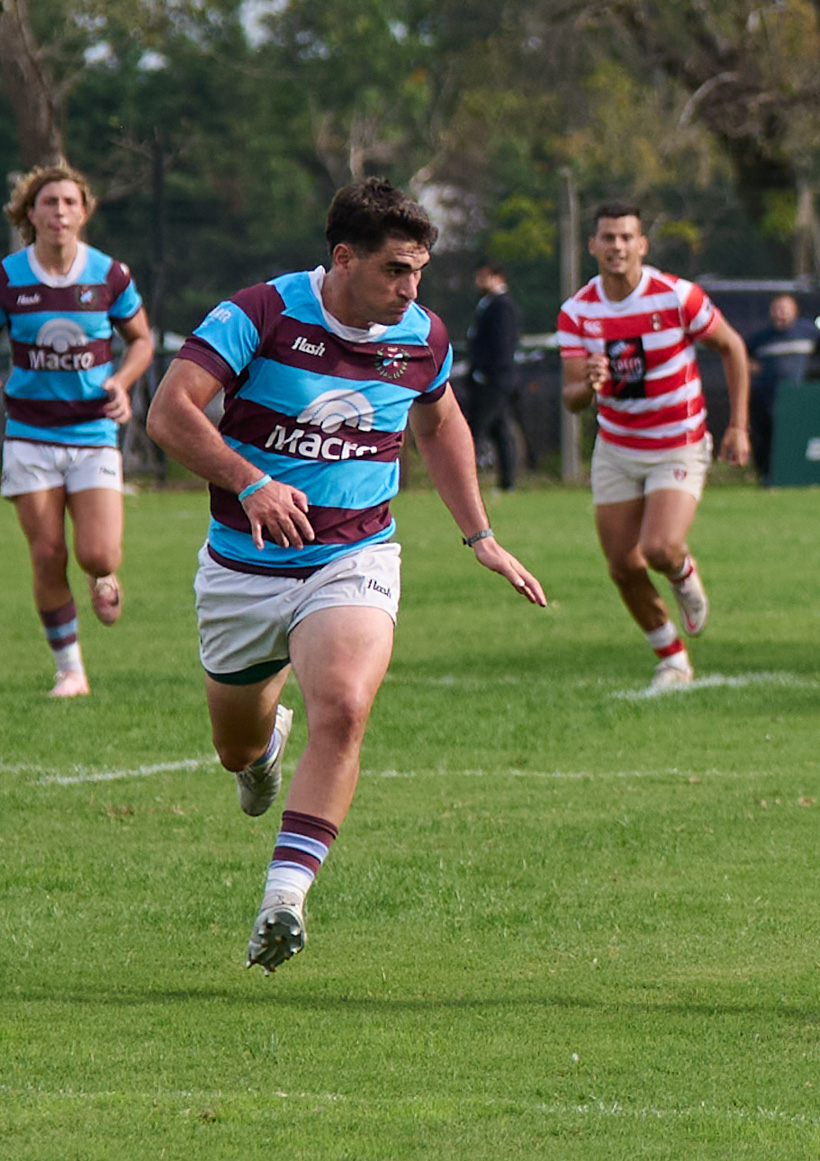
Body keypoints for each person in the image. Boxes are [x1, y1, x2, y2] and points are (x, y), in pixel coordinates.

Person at [146, 177, 546, 974]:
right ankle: (261, 750)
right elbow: (170, 413)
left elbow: (441, 421)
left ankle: (283, 900)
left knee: (345, 703)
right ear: (343, 257)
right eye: (396, 269)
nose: (412, 287)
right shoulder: (261, 312)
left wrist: (482, 536)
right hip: (242, 570)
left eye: (420, 270)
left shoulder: (423, 335)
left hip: (351, 554)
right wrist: (249, 480)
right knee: (235, 747)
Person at [557, 199, 751, 689]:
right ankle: (672, 659)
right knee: (623, 566)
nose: (617, 246)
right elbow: (572, 399)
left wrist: (739, 425)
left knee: (660, 548)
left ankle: (684, 575)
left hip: (678, 443)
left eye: (626, 237)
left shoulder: (675, 295)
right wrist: (591, 384)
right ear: (592, 246)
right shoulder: (577, 312)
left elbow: (732, 347)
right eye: (608, 237)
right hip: (618, 448)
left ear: (641, 244)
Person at [1, 163, 153, 697]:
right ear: (30, 213)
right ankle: (71, 670)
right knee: (45, 554)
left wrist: (123, 382)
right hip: (29, 433)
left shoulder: (110, 276)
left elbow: (141, 340)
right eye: (48, 202)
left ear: (84, 212)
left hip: (91, 433)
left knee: (98, 554)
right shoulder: (9, 276)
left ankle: (102, 574)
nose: (59, 212)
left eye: (69, 202)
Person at [744, 293, 817, 483]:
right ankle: (766, 475)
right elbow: (739, 354)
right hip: (766, 394)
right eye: (776, 309)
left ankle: (796, 474)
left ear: (795, 312)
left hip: (796, 397)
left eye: (784, 309)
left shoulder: (807, 331)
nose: (780, 314)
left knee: (793, 437)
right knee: (765, 436)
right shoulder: (761, 338)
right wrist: (749, 366)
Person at [466, 260, 521, 491]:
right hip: (492, 379)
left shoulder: (502, 306)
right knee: (500, 430)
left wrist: (486, 373)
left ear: (498, 278)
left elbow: (501, 345)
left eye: (484, 276)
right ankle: (507, 483)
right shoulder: (487, 304)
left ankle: (467, 483)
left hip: (494, 381)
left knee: (476, 430)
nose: (479, 282)